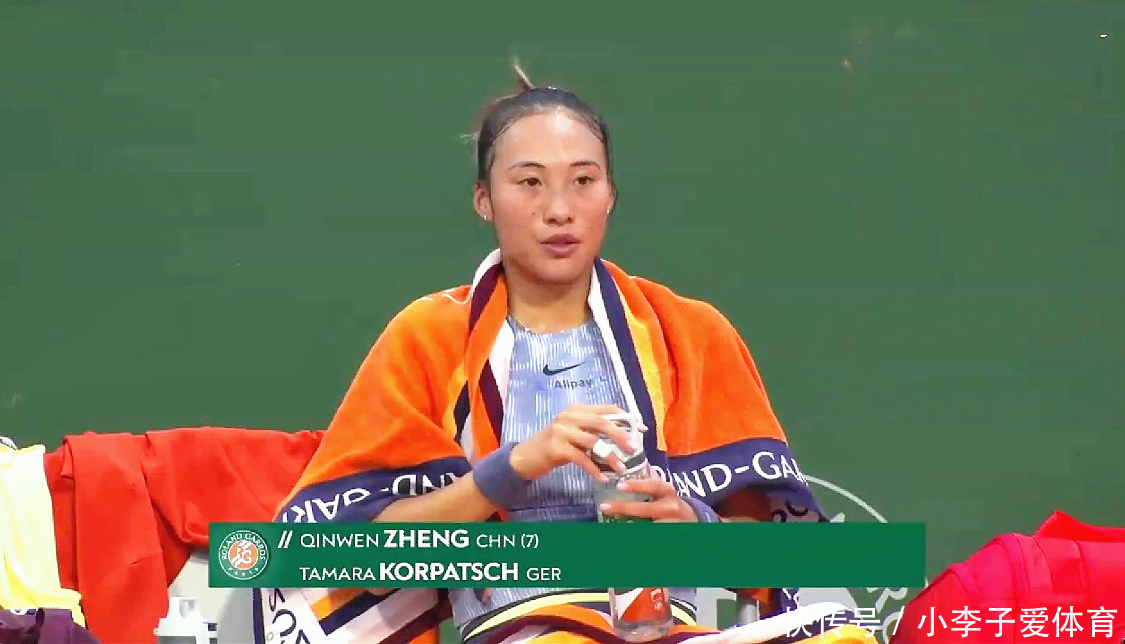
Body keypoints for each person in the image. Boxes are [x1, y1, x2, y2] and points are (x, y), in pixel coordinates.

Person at [263, 63, 874, 644]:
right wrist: (511, 468)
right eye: (529, 182)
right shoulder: (429, 336)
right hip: (523, 627)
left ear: (610, 195)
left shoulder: (688, 332)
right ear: (483, 199)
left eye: (583, 181)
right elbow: (349, 555)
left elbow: (793, 556)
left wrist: (697, 526)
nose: (560, 210)